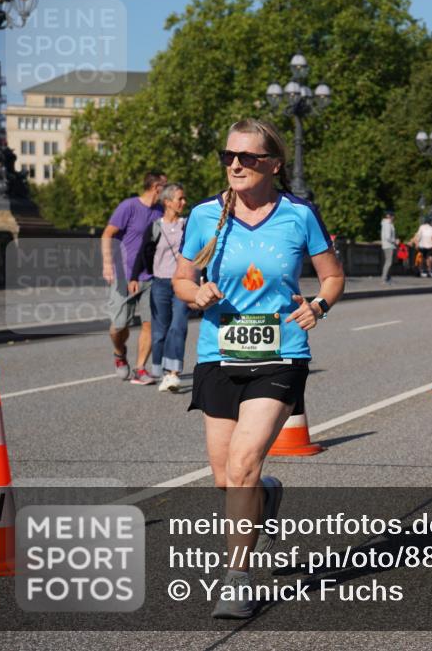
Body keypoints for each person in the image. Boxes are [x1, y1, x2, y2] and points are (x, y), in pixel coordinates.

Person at [172, 119, 344, 618]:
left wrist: (319, 306)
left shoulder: (298, 215)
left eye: (247, 157)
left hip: (281, 353)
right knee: (228, 479)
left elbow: (332, 275)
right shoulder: (206, 216)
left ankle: (237, 578)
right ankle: (266, 496)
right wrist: (195, 291)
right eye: (229, 156)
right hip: (217, 355)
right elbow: (182, 278)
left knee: (246, 461)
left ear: (273, 163)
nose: (235, 165)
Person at [102, 171, 167, 384]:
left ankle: (140, 368)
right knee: (119, 325)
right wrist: (107, 264)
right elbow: (107, 234)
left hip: (150, 276)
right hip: (123, 274)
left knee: (149, 324)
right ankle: (120, 353)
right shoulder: (128, 206)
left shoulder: (161, 211)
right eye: (165, 186)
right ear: (156, 187)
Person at [131, 183, 189, 392]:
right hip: (160, 284)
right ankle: (163, 372)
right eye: (179, 199)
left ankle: (173, 373)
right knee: (159, 331)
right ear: (167, 202)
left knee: (179, 325)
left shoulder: (187, 224)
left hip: (182, 283)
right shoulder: (155, 227)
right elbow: (143, 252)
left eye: (183, 199)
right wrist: (134, 277)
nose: (183, 202)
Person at [380, 210, 397, 284]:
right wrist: (395, 241)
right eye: (392, 216)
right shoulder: (387, 224)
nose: (394, 217)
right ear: (389, 216)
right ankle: (384, 278)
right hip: (388, 245)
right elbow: (388, 237)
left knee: (389, 262)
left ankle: (388, 278)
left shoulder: (388, 223)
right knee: (388, 262)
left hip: (389, 245)